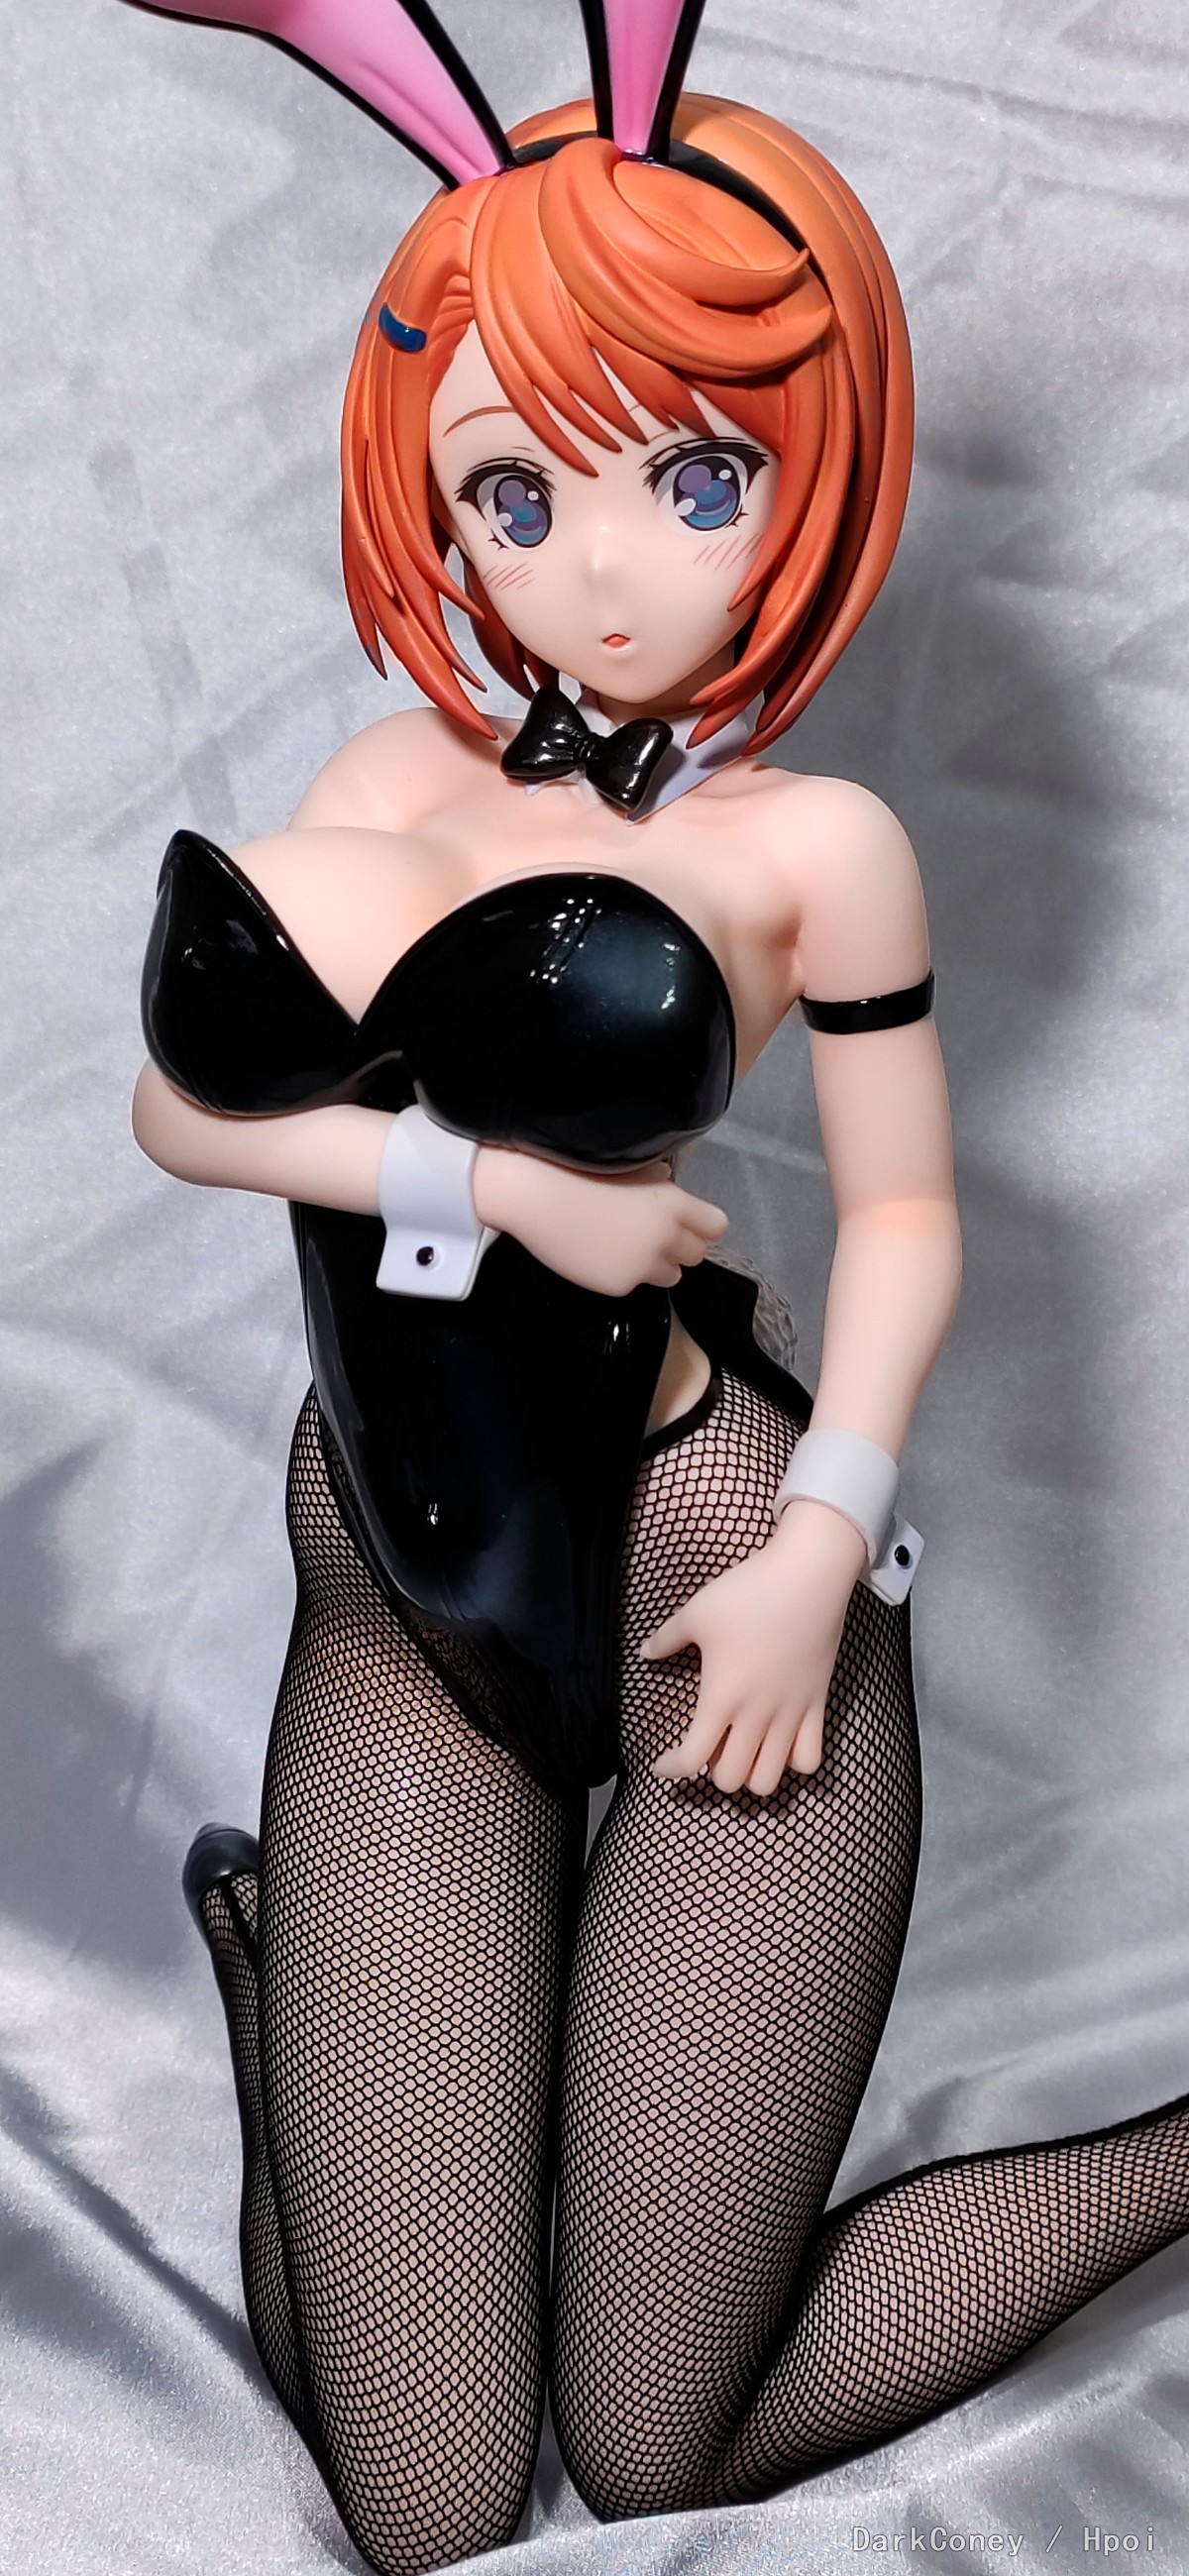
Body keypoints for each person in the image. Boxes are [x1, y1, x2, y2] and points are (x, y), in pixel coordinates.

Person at [127, 5, 1189, 2572]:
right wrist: (503, 1193)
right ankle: (290, 1996)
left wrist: (829, 1540)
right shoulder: (388, 778)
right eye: (516, 485)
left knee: (655, 2446)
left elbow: (909, 1217)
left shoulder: (822, 846)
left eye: (691, 476)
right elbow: (193, 1111)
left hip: (723, 1567)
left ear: (806, 474)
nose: (600, 567)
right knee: (418, 2505)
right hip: (401, 1593)